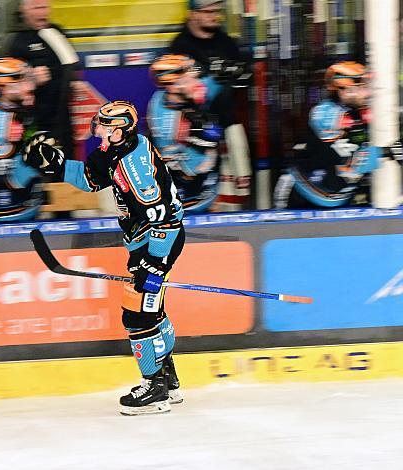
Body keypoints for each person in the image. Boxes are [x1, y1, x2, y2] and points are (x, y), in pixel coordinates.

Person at [22, 100, 184, 415]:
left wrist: (154, 263)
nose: (98, 129)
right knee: (152, 311)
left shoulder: (135, 169)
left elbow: (166, 220)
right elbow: (91, 178)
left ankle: (155, 389)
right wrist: (56, 163)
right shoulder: (116, 150)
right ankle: (168, 381)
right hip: (143, 241)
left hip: (158, 242)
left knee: (137, 316)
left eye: (104, 125)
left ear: (120, 129)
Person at [273, 61, 400, 208]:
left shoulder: (358, 113)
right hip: (302, 194)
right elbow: (353, 163)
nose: (368, 93)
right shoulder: (324, 113)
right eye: (362, 87)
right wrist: (388, 151)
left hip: (338, 198)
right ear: (344, 90)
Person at [169, 0, 251, 210]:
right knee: (195, 194)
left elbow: (244, 79)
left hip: (227, 125)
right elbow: (173, 91)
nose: (214, 15)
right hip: (193, 132)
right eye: (208, 11)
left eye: (217, 11)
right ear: (192, 14)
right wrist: (210, 74)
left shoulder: (227, 43)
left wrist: (238, 72)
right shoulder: (179, 46)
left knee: (233, 201)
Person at [0, 0, 80, 160]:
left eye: (44, 7)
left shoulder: (56, 32)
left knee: (67, 166)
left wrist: (75, 80)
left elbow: (72, 63)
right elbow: (2, 85)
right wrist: (30, 80)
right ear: (24, 10)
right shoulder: (15, 40)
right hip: (32, 121)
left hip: (61, 118)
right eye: (36, 8)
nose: (42, 13)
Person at [147, 54, 224, 213]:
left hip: (208, 188)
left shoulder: (178, 93)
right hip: (187, 199)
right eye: (191, 79)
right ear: (173, 86)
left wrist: (222, 74)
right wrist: (203, 139)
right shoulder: (166, 123)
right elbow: (181, 174)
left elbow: (210, 84)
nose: (198, 83)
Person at [0, 57, 44, 223]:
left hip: (8, 189)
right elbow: (10, 173)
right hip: (10, 202)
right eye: (23, 81)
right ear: (6, 88)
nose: (30, 86)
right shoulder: (5, 124)